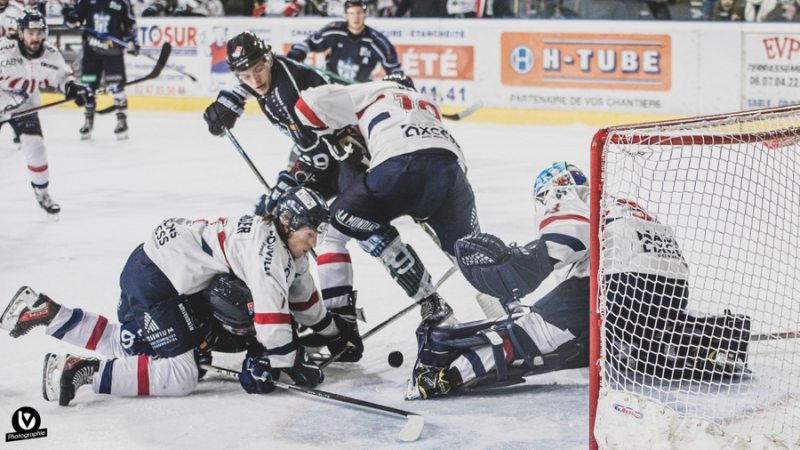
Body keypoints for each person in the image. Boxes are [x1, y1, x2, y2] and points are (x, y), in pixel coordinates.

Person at [406, 162, 750, 399]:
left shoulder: (566, 193)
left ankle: (446, 376)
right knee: (638, 351)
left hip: (617, 284)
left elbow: (571, 235)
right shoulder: (619, 202)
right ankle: (718, 334)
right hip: (671, 289)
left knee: (527, 333)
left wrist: (527, 261)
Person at [0, 187, 364, 405]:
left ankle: (47, 313)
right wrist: (290, 361)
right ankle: (80, 371)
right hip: (159, 280)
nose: (315, 243)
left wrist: (335, 332)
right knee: (180, 374)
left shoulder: (284, 244)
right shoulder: (267, 252)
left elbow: (303, 299)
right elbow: (270, 321)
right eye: (311, 234)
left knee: (134, 348)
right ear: (287, 222)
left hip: (151, 264)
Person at [294, 74, 480, 327]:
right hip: (453, 174)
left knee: (330, 234)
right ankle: (511, 309)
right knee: (473, 253)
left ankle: (341, 324)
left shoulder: (376, 90)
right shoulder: (426, 105)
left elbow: (306, 106)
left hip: (398, 168)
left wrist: (331, 135)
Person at [203, 31, 365, 203]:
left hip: (349, 152)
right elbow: (254, 76)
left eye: (258, 69)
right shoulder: (276, 69)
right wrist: (234, 97)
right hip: (325, 144)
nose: (255, 81)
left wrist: (285, 186)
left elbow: (319, 161)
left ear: (269, 59)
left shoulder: (286, 97)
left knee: (348, 215)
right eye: (245, 76)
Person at [0, 9, 93, 216]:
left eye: (38, 32)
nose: (35, 38)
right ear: (21, 33)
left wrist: (73, 89)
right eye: (30, 33)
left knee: (36, 147)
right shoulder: (4, 50)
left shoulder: (50, 53)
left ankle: (42, 193)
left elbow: (62, 78)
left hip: (25, 106)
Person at [62, 0, 138, 140]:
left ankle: (122, 121)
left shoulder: (122, 2)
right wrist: (71, 20)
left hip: (113, 51)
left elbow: (130, 24)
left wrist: (132, 40)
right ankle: (88, 120)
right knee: (88, 88)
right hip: (92, 52)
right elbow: (75, 19)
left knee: (116, 86)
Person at [286, 0, 403, 83]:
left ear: (365, 15)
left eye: (359, 13)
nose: (355, 17)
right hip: (330, 85)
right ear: (346, 15)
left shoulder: (376, 40)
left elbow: (393, 67)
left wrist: (399, 81)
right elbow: (310, 42)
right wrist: (298, 52)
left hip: (359, 90)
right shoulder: (335, 30)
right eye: (352, 13)